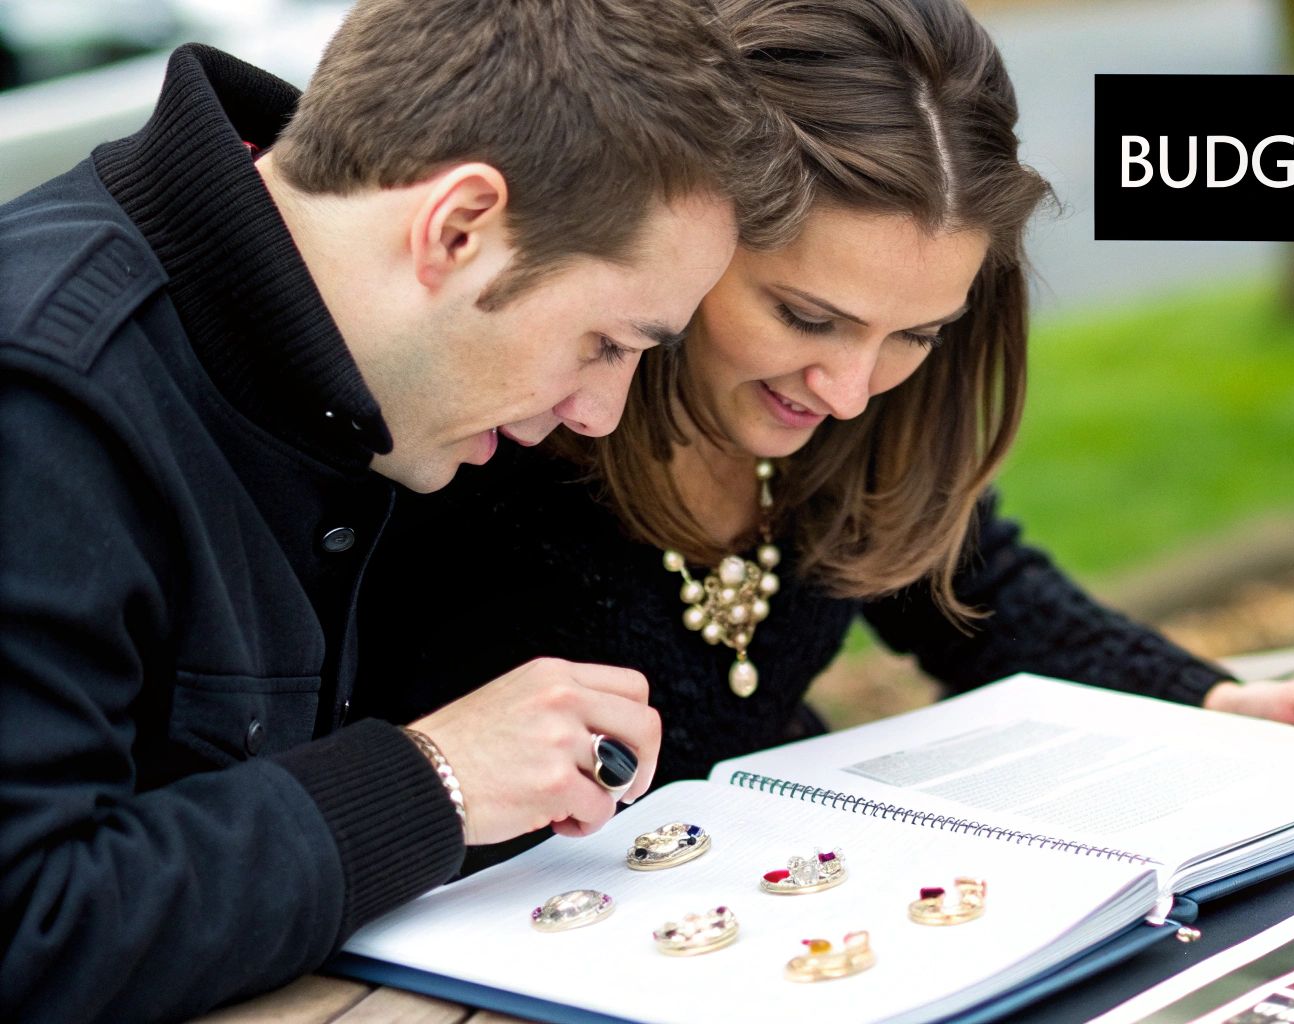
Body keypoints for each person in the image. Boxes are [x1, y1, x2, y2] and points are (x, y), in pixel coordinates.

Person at [359, 0, 1294, 814]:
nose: (850, 391)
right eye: (806, 317)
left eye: (916, 334)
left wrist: (1204, 701)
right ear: (690, 237)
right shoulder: (484, 431)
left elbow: (974, 590)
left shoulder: (856, 420)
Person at [0, 0, 760, 1017]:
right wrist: (435, 778)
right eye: (606, 343)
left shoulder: (370, 377)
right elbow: (26, 923)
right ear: (456, 228)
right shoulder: (42, 398)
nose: (598, 413)